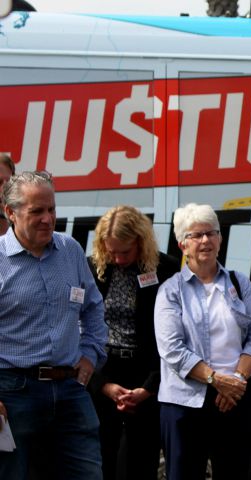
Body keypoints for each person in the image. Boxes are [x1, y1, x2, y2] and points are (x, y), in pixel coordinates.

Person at [0, 170, 107, 479]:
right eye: (37, 211)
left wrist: (90, 354)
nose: (48, 218)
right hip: (12, 393)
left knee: (87, 474)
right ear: (10, 213)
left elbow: (94, 308)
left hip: (70, 387)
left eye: (52, 209)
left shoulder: (70, 250)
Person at [154, 203, 251, 480]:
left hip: (234, 398)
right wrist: (217, 380)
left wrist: (238, 380)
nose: (205, 240)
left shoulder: (239, 282)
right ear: (183, 244)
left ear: (220, 238)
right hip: (185, 404)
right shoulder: (171, 290)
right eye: (196, 235)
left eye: (211, 233)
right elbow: (171, 349)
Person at [88, 205, 180, 480]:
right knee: (101, 458)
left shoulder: (165, 269)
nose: (117, 258)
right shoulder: (92, 267)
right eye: (111, 251)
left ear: (141, 241)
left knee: (140, 459)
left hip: (146, 375)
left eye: (124, 252)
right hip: (103, 372)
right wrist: (102, 384)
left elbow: (172, 332)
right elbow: (80, 328)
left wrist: (149, 387)